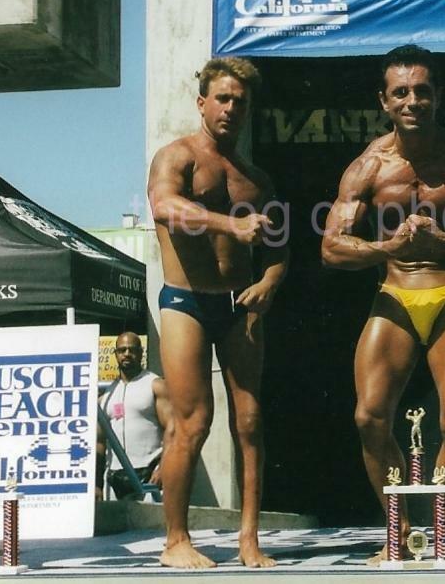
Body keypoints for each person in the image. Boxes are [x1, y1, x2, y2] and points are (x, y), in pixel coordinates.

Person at [321, 44, 445, 566]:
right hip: (395, 291)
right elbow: (331, 247)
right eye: (401, 92)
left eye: (422, 91)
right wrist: (388, 248)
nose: (412, 101)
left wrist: (444, 242)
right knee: (368, 417)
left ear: (437, 96)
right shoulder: (369, 166)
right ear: (384, 101)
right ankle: (400, 533)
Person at [147, 56, 288, 569]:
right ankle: (175, 541)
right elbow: (164, 206)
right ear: (202, 101)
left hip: (239, 305)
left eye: (240, 102)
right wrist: (229, 227)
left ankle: (249, 538)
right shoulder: (176, 156)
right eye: (223, 98)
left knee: (250, 422)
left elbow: (277, 247)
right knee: (193, 420)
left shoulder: (255, 178)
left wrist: (270, 281)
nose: (231, 108)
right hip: (186, 301)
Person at [98, 332, 171, 499]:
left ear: (140, 353)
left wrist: (163, 468)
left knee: (153, 524)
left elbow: (172, 431)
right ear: (116, 354)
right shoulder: (107, 395)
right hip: (115, 476)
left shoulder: (156, 385)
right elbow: (99, 442)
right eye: (122, 350)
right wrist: (97, 485)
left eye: (132, 350)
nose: (127, 354)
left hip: (149, 474)